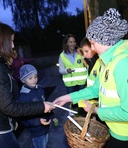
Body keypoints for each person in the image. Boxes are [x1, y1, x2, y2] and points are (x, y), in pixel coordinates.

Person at [53, 8, 128, 148]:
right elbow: (95, 90)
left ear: (105, 40)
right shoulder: (107, 61)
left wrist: (97, 111)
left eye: (93, 43)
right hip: (113, 128)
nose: (92, 48)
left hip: (124, 135)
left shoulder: (123, 64)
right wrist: (67, 97)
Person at [0, 21, 55, 148]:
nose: (13, 45)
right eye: (11, 41)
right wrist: (41, 106)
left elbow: (1, 96)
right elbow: (8, 106)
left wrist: (12, 120)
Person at [18, 64, 56, 148]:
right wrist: (38, 121)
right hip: (36, 131)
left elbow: (45, 104)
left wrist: (52, 116)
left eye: (35, 77)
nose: (34, 80)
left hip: (46, 127)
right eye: (30, 78)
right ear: (23, 80)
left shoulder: (40, 89)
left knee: (45, 144)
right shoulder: (23, 97)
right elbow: (24, 119)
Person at [58, 34, 87, 111]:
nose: (73, 44)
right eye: (70, 42)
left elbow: (87, 64)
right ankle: (75, 116)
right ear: (66, 43)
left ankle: (83, 116)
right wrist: (66, 70)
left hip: (82, 82)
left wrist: (83, 56)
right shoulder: (62, 55)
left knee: (82, 101)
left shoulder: (80, 52)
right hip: (70, 84)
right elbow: (60, 70)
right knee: (74, 102)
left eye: (74, 42)